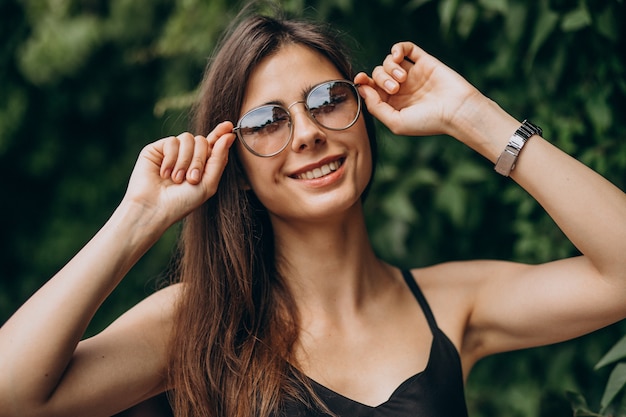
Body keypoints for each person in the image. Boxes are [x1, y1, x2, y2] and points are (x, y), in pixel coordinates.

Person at [1, 9, 625, 417]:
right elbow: (13, 396)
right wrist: (137, 218)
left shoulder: (454, 305)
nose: (305, 133)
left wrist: (473, 117)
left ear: (364, 115)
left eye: (327, 99)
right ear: (236, 166)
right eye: (266, 120)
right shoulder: (199, 320)